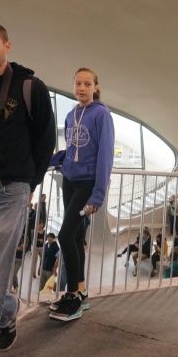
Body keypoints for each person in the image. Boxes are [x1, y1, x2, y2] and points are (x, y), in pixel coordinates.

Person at [0, 22, 55, 357]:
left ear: (7, 46)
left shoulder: (30, 87)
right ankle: (8, 311)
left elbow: (45, 141)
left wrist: (30, 183)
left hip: (9, 193)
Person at [48, 67, 114, 322]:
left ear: (96, 87)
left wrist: (98, 195)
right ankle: (81, 293)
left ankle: (72, 294)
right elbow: (71, 150)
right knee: (75, 236)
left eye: (87, 84)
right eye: (78, 84)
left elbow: (105, 156)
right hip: (69, 180)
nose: (82, 88)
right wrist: (48, 160)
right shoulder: (70, 114)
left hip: (87, 183)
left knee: (65, 234)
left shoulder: (102, 114)